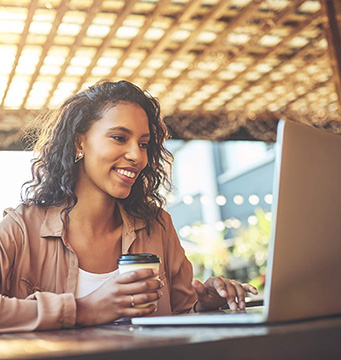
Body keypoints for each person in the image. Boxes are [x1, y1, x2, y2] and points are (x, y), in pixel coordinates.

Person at [0, 80, 257, 332]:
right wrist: (84, 309)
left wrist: (204, 306)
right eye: (119, 137)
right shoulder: (20, 229)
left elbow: (182, 317)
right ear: (80, 143)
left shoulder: (158, 227)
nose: (137, 156)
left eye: (143, 144)